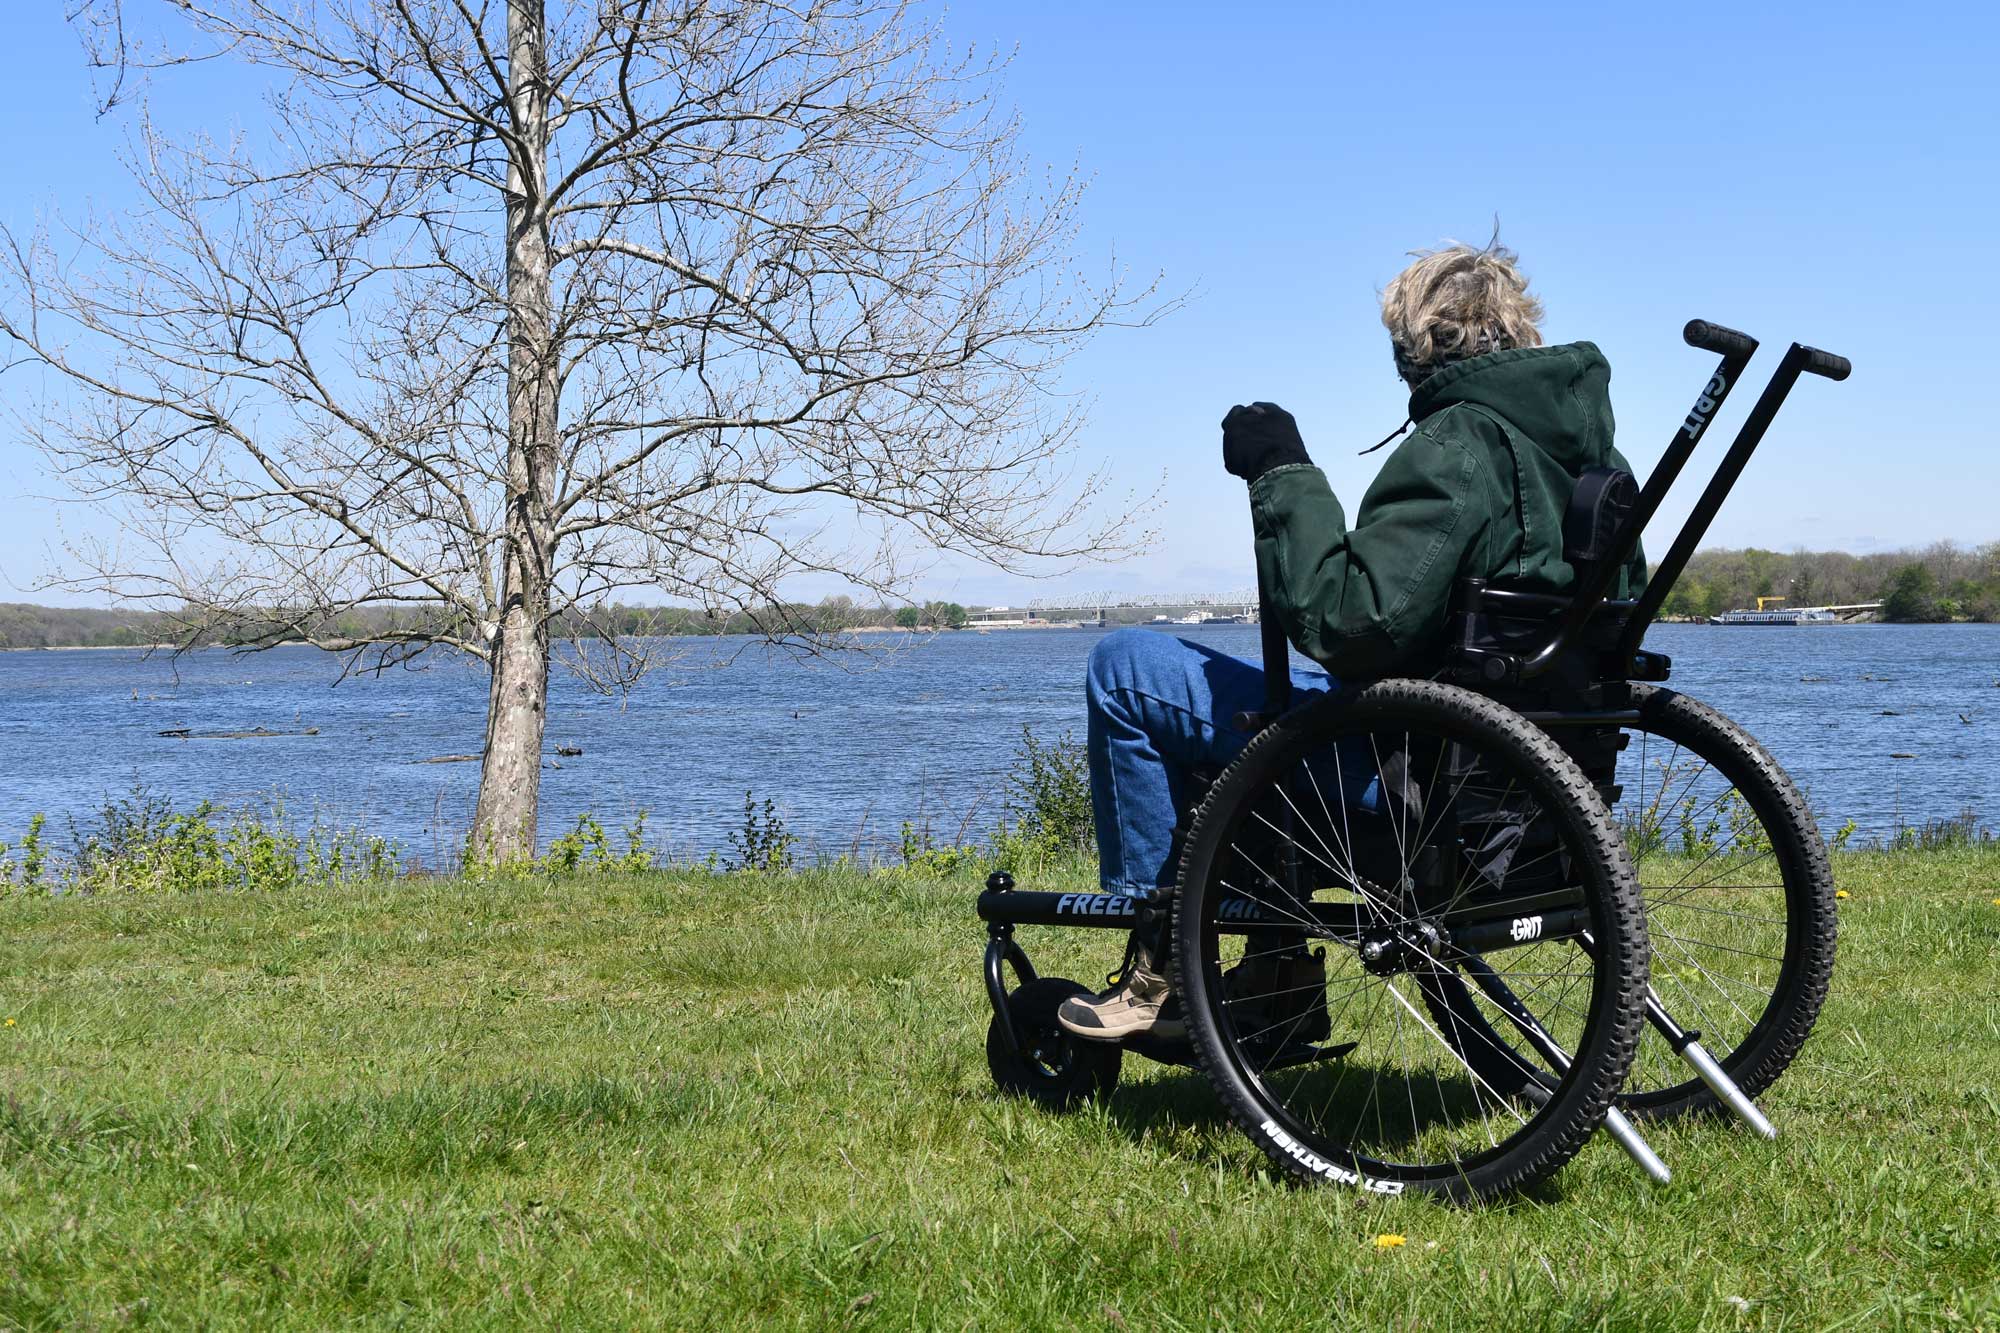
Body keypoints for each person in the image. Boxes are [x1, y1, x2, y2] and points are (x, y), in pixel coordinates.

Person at [1057, 239, 1649, 1042]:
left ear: (1420, 345)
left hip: (1427, 792)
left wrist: (1285, 474)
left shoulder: (1459, 445)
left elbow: (1348, 623)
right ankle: (1275, 970)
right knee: (1274, 708)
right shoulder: (1596, 462)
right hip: (1537, 802)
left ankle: (1159, 958)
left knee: (1124, 668)